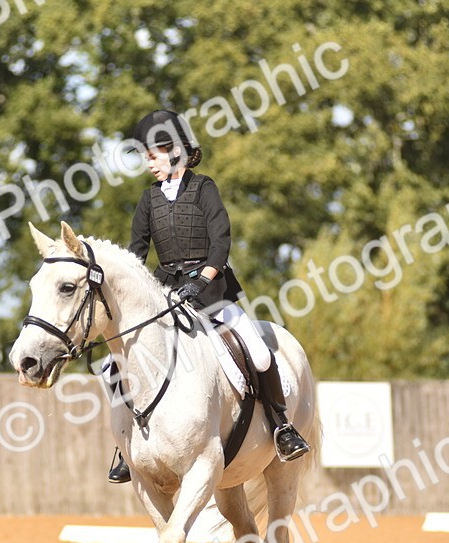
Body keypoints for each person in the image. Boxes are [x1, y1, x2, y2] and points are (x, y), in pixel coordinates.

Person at [107, 109, 310, 484]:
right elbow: (136, 254)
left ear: (176, 151)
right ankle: (125, 446)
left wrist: (201, 281)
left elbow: (221, 242)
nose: (148, 164)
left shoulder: (204, 189)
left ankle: (282, 426)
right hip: (166, 294)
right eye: (145, 157)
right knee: (113, 364)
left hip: (212, 289)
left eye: (153, 155)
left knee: (259, 351)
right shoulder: (148, 200)